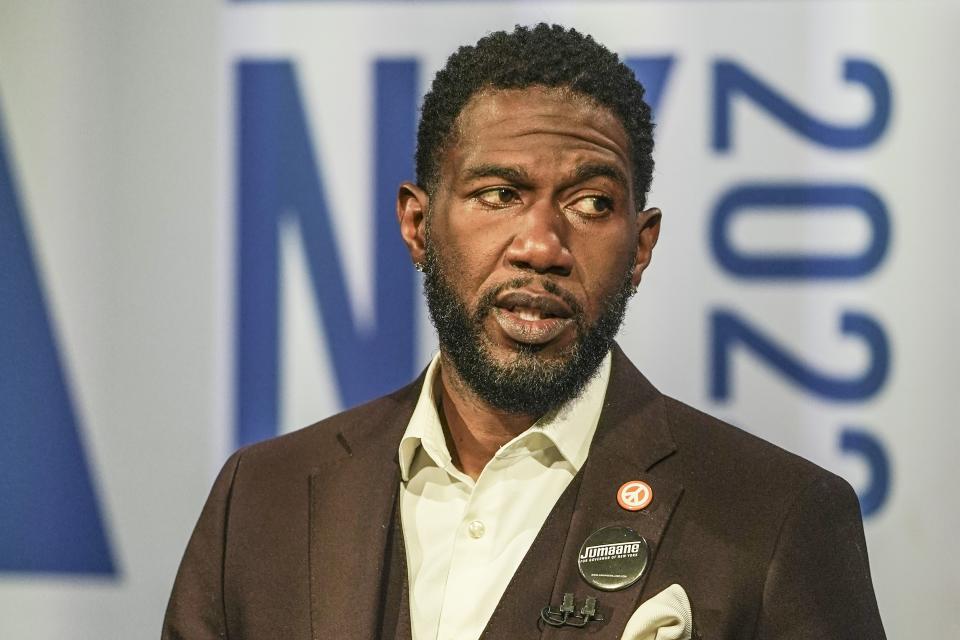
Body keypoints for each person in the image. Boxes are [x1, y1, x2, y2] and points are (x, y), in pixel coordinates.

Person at [163, 24, 886, 639]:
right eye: (500, 195)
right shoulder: (261, 500)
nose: (541, 244)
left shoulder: (776, 519)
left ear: (640, 248)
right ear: (417, 225)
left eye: (592, 202)